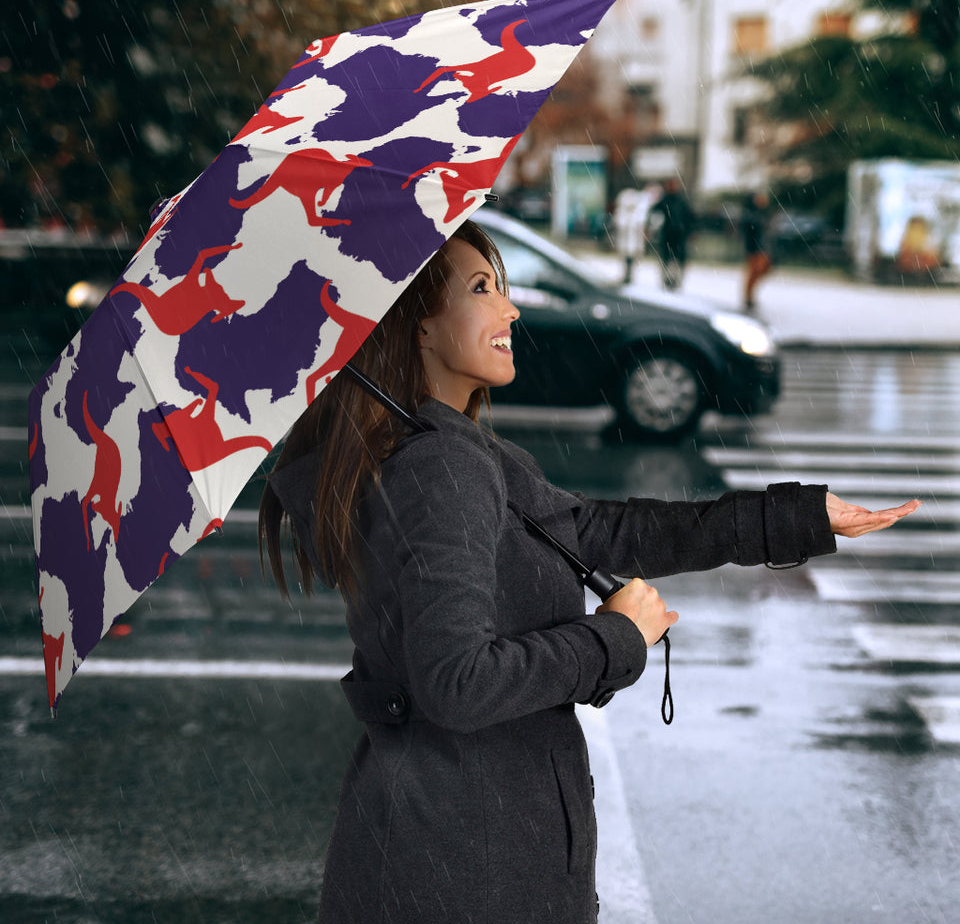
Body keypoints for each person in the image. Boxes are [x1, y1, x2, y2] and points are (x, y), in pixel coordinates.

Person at [259, 220, 919, 924]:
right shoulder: (439, 468)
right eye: (482, 289)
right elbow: (457, 683)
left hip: (452, 848)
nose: (510, 309)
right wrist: (613, 637)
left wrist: (796, 518)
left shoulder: (451, 452)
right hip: (466, 867)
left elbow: (603, 531)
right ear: (418, 327)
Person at [648, 177, 695, 291]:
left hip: (679, 235)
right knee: (667, 258)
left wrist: (690, 231)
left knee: (677, 259)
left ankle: (675, 280)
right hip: (668, 234)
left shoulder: (681, 201)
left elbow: (690, 217)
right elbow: (654, 213)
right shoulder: (665, 200)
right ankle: (667, 279)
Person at [741, 190, 773, 311]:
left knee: (762, 270)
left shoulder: (763, 213)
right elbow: (750, 229)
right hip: (755, 248)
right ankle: (748, 297)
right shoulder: (751, 214)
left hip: (763, 247)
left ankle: (750, 295)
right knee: (754, 272)